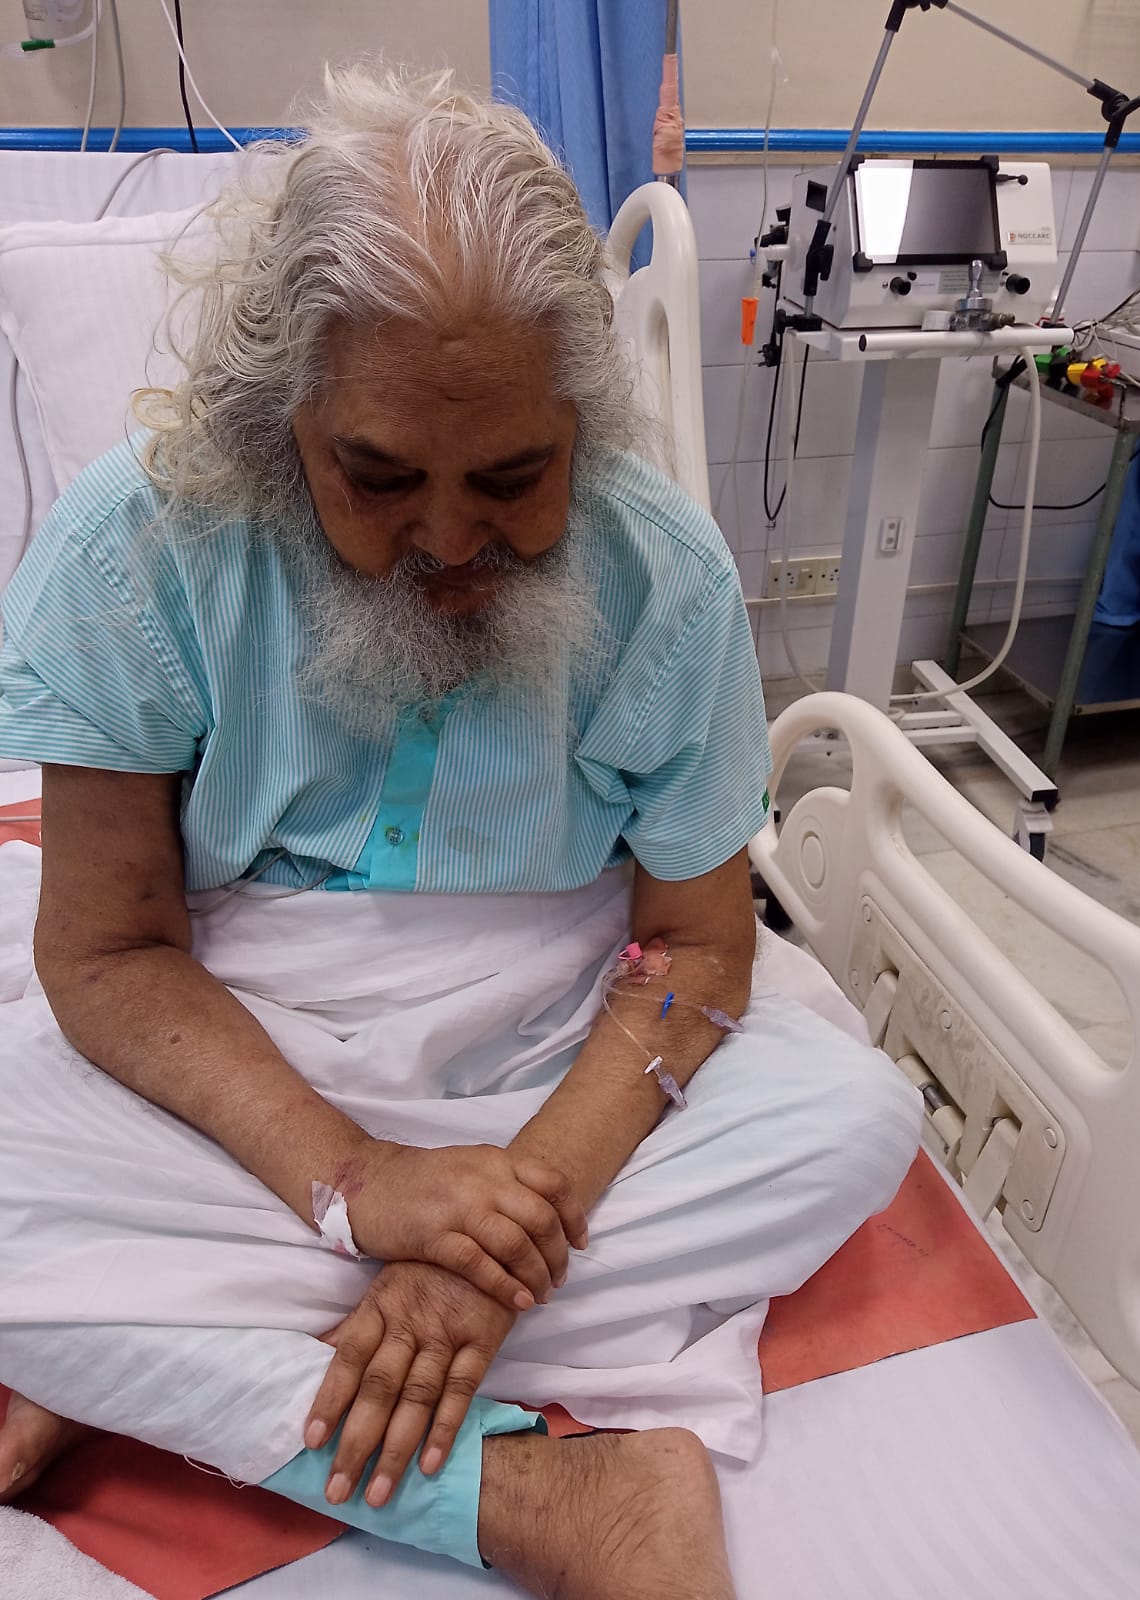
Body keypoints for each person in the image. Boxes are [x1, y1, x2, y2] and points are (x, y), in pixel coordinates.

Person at [0, 66, 920, 1598]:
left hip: (561, 1046)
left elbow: (696, 951)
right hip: (234, 1047)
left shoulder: (665, 576)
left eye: (512, 477)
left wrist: (492, 1246)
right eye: (376, 478)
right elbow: (105, 955)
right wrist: (353, 1180)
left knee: (851, 1125)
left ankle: (139, 1346)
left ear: (583, 424)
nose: (445, 539)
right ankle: (536, 1494)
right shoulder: (139, 544)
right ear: (285, 420)